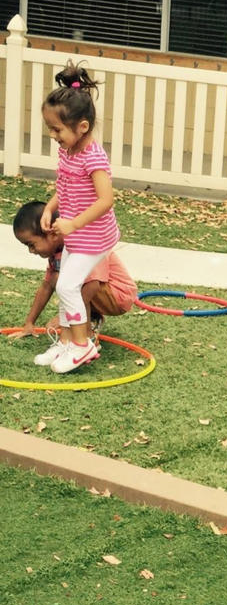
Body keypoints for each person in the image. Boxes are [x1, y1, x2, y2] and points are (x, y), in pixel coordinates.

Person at [33, 61, 121, 373]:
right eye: (50, 128)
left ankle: (83, 346)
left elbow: (106, 200)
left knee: (68, 285)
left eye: (57, 129)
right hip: (76, 233)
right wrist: (50, 207)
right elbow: (66, 186)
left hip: (94, 237)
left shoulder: (94, 156)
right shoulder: (67, 151)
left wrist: (73, 223)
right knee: (64, 285)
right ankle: (68, 343)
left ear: (82, 127)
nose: (52, 135)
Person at [7, 201, 137, 346]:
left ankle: (87, 340)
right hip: (100, 291)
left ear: (52, 234)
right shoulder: (56, 252)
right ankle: (92, 318)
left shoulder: (83, 243)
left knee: (66, 281)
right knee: (59, 280)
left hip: (118, 295)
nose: (31, 251)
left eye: (31, 244)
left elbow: (92, 285)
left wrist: (66, 318)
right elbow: (46, 286)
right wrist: (29, 323)